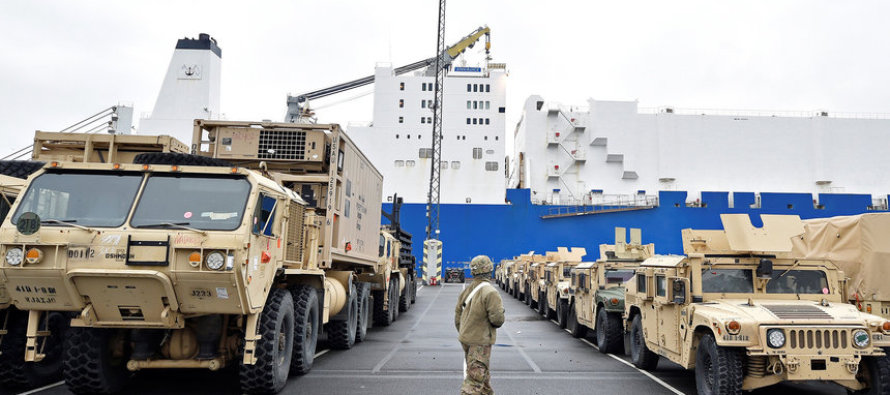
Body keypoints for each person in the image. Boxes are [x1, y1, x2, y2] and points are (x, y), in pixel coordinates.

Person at [454, 255, 505, 395]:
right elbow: (497, 320)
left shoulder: (467, 290)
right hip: (480, 342)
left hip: (466, 339)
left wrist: (465, 332)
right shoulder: (491, 292)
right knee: (475, 381)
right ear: (489, 269)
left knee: (483, 379)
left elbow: (458, 315)